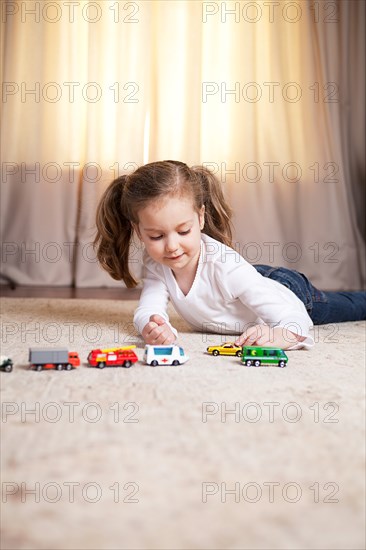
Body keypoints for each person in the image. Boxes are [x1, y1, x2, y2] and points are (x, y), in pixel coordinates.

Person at [94, 160, 366, 350]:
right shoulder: (157, 264)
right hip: (250, 280)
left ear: (200, 218)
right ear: (138, 231)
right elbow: (149, 308)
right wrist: (152, 326)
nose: (172, 246)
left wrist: (279, 335)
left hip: (289, 291)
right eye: (157, 236)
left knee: (350, 307)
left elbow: (295, 321)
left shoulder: (228, 268)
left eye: (183, 231)